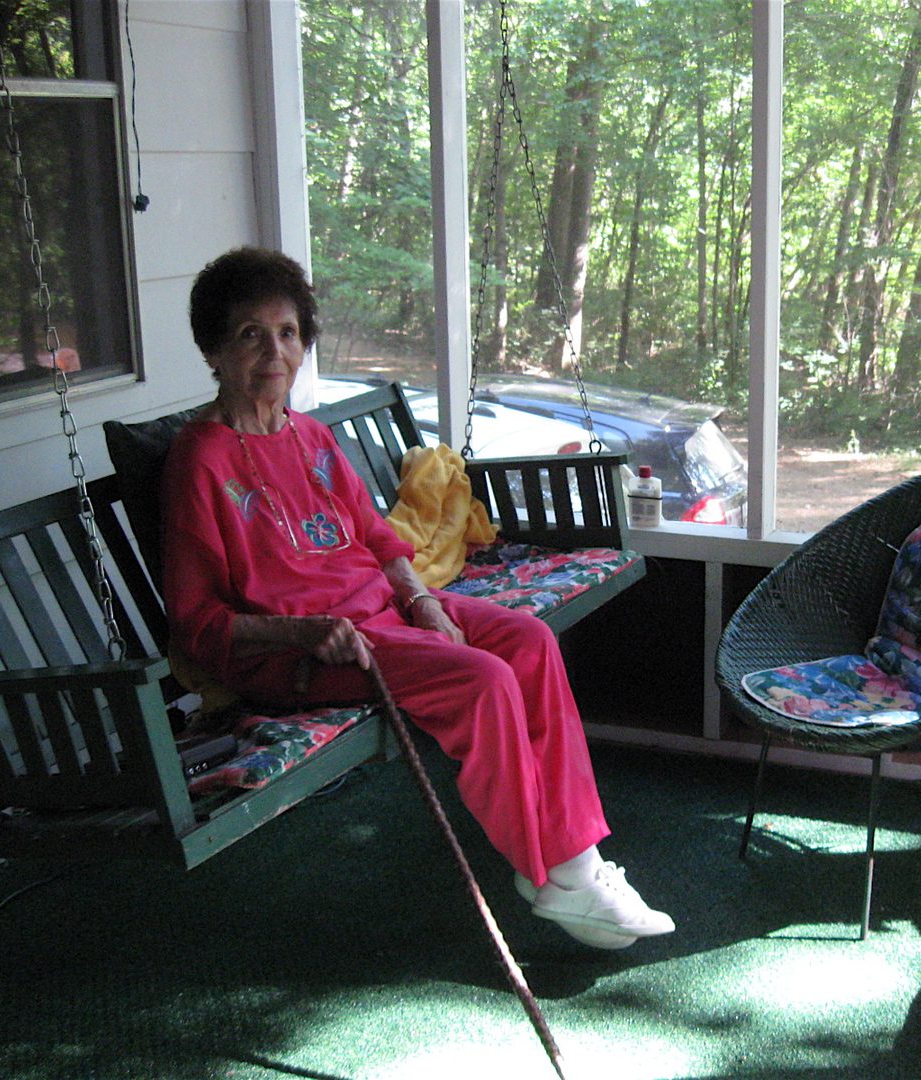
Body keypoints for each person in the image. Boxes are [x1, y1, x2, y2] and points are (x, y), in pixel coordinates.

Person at [161, 246, 673, 950]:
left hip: (384, 610)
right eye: (251, 334)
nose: (275, 353)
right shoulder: (200, 459)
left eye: (288, 333)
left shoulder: (309, 436)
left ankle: (575, 860)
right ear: (214, 351)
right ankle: (551, 872)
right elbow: (197, 622)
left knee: (529, 641)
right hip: (307, 652)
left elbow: (377, 537)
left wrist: (422, 599)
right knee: (484, 680)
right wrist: (302, 633)